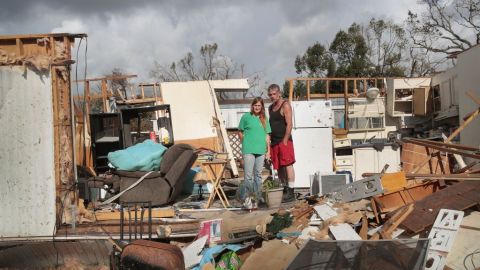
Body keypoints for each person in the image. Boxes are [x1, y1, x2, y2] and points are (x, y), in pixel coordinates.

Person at [238, 97, 271, 208]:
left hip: (261, 150)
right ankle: (247, 199)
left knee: (258, 175)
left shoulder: (264, 119)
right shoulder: (246, 117)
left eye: (259, 106)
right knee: (248, 176)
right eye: (255, 105)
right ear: (252, 106)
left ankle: (257, 197)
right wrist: (245, 143)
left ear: (261, 107)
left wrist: (268, 151)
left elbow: (267, 136)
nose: (257, 107)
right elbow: (240, 132)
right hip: (249, 150)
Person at [267, 84, 296, 202]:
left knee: (288, 165)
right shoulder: (270, 108)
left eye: (274, 94)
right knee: (279, 168)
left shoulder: (285, 105)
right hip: (274, 142)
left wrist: (285, 140)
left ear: (279, 93)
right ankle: (284, 189)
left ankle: (291, 191)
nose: (272, 96)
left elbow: (289, 124)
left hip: (284, 141)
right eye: (270, 95)